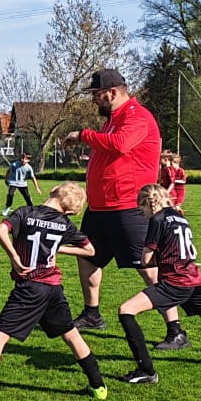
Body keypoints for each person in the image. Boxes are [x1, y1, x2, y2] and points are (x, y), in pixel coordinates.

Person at [0, 182, 105, 401]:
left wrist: (15, 258)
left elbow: (0, 230)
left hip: (30, 288)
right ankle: (98, 387)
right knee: (71, 335)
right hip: (53, 288)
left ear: (53, 191)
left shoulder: (26, 213)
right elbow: (90, 251)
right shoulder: (65, 224)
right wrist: (59, 247)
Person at [119, 185, 201, 381]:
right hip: (193, 278)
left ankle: (147, 371)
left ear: (147, 204)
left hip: (175, 281)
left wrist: (150, 259)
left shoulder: (157, 219)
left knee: (126, 310)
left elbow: (146, 259)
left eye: (141, 209)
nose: (142, 214)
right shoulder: (180, 216)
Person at [73, 67, 162, 331]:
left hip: (126, 207)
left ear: (112, 93)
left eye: (96, 94)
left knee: (147, 267)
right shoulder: (113, 119)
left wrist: (83, 135)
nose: (93, 100)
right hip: (101, 208)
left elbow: (120, 144)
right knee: (88, 257)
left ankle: (175, 328)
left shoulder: (137, 117)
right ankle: (92, 314)